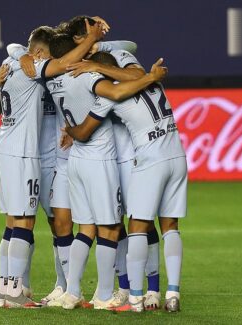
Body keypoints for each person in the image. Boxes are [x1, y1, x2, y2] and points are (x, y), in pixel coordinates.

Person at [46, 34, 168, 310]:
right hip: (106, 163)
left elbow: (129, 47)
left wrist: (72, 131)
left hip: (78, 160)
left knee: (88, 228)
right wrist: (151, 77)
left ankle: (73, 291)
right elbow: (117, 92)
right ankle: (110, 293)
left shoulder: (59, 80)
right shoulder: (97, 85)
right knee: (113, 228)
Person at [0, 20, 104, 308]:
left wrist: (16, 55)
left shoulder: (10, 62)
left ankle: (10, 289)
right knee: (24, 221)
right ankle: (15, 291)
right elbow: (63, 63)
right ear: (41, 54)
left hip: (6, 149)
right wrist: (91, 39)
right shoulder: (33, 68)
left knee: (16, 221)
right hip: (24, 154)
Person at [65, 52, 186, 313]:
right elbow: (136, 75)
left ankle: (135, 298)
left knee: (136, 227)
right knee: (170, 226)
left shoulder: (110, 94)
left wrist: (69, 130)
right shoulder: (150, 81)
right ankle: (172, 293)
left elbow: (84, 131)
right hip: (176, 155)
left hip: (149, 161)